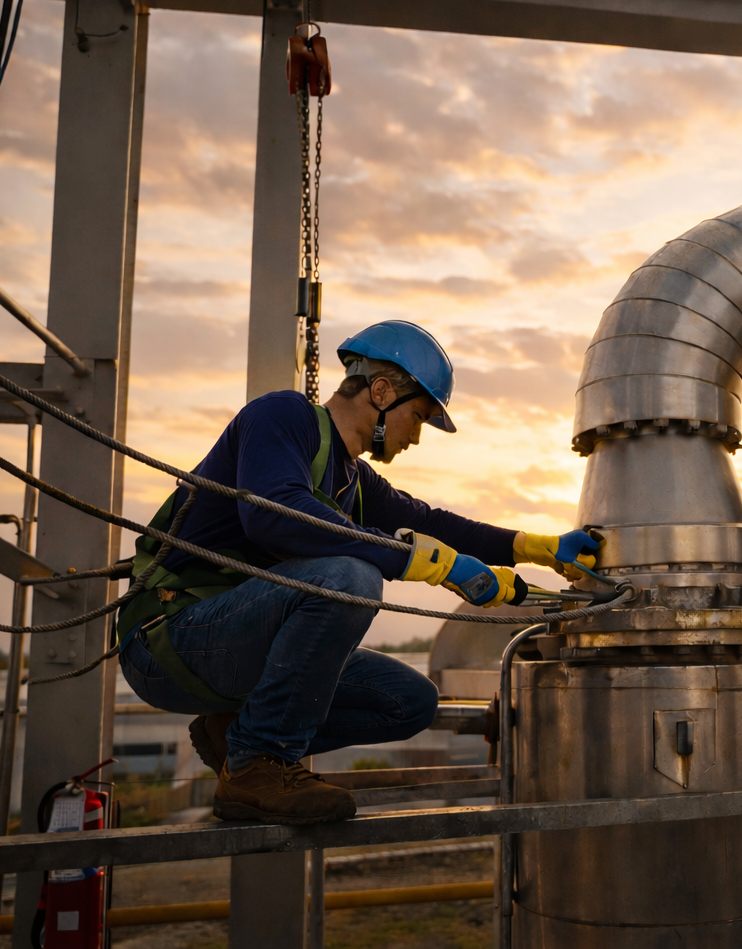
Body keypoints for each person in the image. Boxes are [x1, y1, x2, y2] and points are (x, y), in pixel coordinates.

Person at [115, 321, 601, 823]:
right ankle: (257, 762)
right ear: (382, 392)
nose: (416, 437)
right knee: (351, 577)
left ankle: (236, 734)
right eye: (417, 416)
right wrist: (408, 558)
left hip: (239, 645)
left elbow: (431, 522)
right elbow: (273, 512)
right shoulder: (281, 417)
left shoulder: (354, 479)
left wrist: (533, 546)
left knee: (409, 702)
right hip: (169, 636)